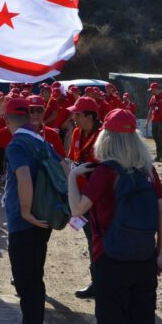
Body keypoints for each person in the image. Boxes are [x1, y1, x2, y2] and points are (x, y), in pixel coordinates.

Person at [67, 109, 162, 324]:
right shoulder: (148, 171)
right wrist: (161, 252)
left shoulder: (105, 172)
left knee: (113, 321)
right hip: (144, 258)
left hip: (109, 258)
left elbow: (77, 209)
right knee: (142, 320)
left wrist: (72, 176)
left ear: (106, 138)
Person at [1, 97, 65, 324]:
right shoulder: (41, 140)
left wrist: (26, 212)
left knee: (26, 284)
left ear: (7, 119)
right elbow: (65, 167)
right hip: (45, 217)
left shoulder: (17, 144)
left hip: (24, 222)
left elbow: (24, 176)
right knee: (35, 278)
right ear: (28, 117)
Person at [66, 96, 102, 299]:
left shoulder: (103, 134)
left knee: (99, 239)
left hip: (97, 197)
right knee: (91, 239)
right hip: (81, 196)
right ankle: (97, 281)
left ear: (90, 115)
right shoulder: (77, 132)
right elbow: (74, 159)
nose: (74, 117)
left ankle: (101, 281)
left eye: (78, 114)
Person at [0, 95, 66, 159]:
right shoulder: (14, 131)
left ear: (44, 111)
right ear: (25, 112)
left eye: (39, 110)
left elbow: (61, 160)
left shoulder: (52, 134)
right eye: (31, 110)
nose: (35, 114)